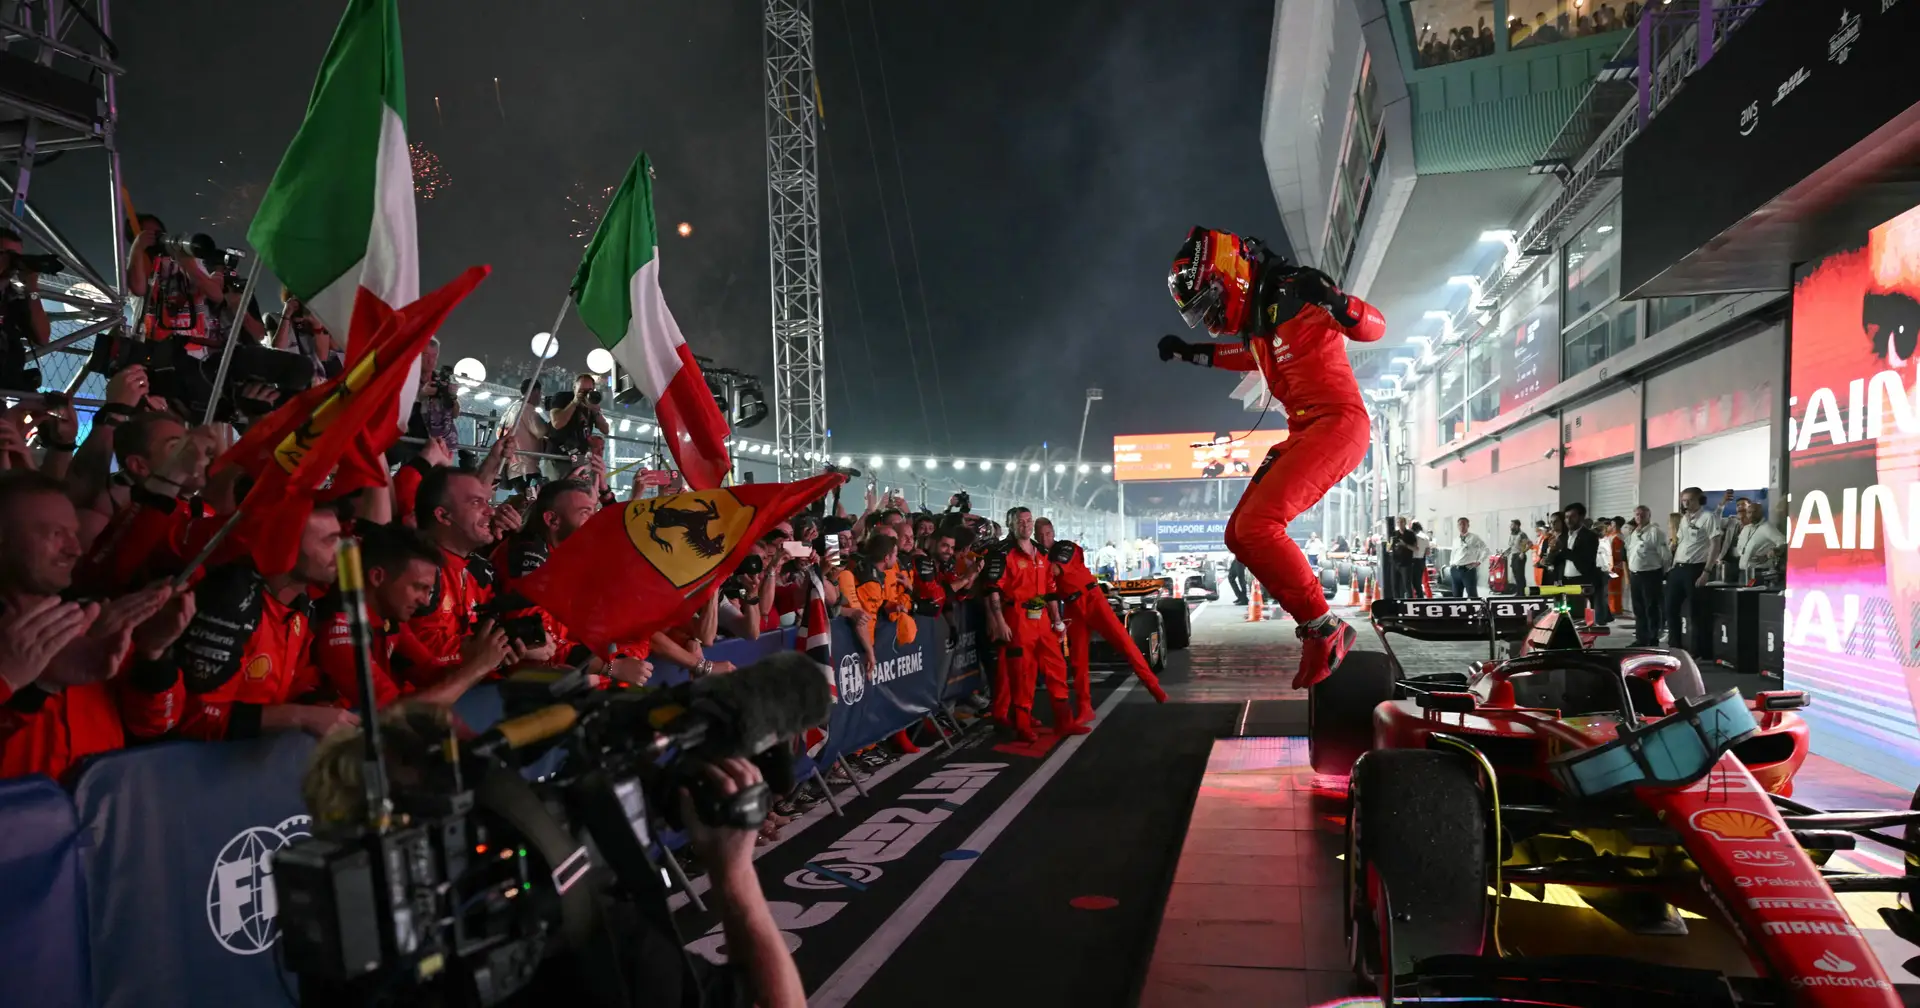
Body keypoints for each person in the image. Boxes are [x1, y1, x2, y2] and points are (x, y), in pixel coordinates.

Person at [1158, 226, 1384, 687]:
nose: (1212, 318)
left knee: (1259, 526)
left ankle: (1326, 628)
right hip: (1303, 432)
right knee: (1237, 535)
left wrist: (1337, 301)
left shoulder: (1298, 291)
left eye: (1209, 303)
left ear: (1229, 275)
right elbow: (1248, 357)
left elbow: (1374, 327)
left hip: (1339, 426)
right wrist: (1190, 353)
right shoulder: (1261, 318)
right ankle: (1316, 627)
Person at [1036, 517, 1167, 722]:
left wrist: (1034, 564)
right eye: (1040, 535)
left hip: (1092, 599)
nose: (1045, 538)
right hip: (1072, 607)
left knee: (1123, 641)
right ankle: (1084, 707)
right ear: (1036, 536)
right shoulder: (1039, 556)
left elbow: (1054, 570)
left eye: (1048, 533)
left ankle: (1153, 685)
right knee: (1078, 661)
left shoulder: (1066, 547)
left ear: (1053, 533)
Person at [978, 507, 1078, 742]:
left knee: (1057, 666)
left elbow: (1051, 588)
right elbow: (992, 589)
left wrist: (1057, 621)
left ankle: (1064, 720)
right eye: (1020, 522)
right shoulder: (1001, 553)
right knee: (1022, 672)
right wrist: (999, 621)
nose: (1025, 525)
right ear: (1010, 524)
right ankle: (1021, 723)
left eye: (1028, 520)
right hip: (1017, 617)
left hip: (1042, 617)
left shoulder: (1042, 552)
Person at [1665, 487, 1724, 650]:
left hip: (1696, 569)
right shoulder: (1684, 519)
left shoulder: (1707, 518)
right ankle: (1674, 646)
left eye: (1689, 500)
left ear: (1700, 500)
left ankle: (1698, 650)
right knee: (1670, 608)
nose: (1686, 503)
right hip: (1678, 568)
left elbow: (1715, 543)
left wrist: (1706, 571)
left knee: (1696, 612)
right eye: (1684, 500)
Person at [0, 228, 51, 392]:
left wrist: (32, 289)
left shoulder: (12, 299)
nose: (11, 261)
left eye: (15, 256)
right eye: (4, 253)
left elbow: (43, 337)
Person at [1548, 503, 1609, 624]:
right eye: (1566, 517)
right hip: (1564, 580)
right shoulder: (1563, 537)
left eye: (1572, 516)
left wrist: (1562, 549)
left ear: (1581, 517)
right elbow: (1560, 559)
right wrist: (1551, 555)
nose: (1568, 520)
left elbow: (1584, 560)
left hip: (1581, 580)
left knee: (1579, 618)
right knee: (1564, 617)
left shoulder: (1589, 536)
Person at [1625, 504, 1672, 646]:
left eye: (1642, 515)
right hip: (1636, 575)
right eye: (1637, 515)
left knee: (1651, 607)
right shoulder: (1634, 533)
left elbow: (1665, 556)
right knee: (1638, 608)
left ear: (1649, 516)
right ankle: (1641, 638)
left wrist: (1662, 573)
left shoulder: (1655, 532)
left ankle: (1652, 638)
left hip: (1650, 574)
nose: (1639, 517)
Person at [1733, 499, 1785, 578]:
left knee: (1754, 590)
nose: (1752, 515)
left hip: (1759, 574)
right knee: (1743, 590)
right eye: (1749, 512)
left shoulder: (1767, 527)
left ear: (1761, 513)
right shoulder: (1746, 529)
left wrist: (1768, 555)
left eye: (1755, 512)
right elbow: (1740, 549)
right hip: (1743, 573)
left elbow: (1783, 543)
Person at [1451, 517, 1490, 598]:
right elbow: (1453, 553)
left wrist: (1479, 561)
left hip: (1468, 570)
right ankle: (1459, 610)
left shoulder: (1474, 537)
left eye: (1464, 524)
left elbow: (1486, 549)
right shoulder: (1456, 539)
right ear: (1457, 526)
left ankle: (1474, 610)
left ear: (1468, 525)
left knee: (1472, 595)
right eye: (1460, 524)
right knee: (1456, 596)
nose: (1462, 526)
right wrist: (1451, 564)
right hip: (1456, 570)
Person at [1505, 519, 1532, 595]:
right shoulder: (1512, 534)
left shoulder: (1522, 534)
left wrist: (1523, 552)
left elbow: (1530, 544)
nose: (1510, 526)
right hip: (1513, 556)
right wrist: (1505, 553)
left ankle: (1522, 593)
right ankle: (1518, 591)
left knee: (1520, 575)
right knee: (1516, 575)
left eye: (1512, 525)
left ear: (1517, 526)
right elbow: (1511, 546)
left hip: (1519, 556)